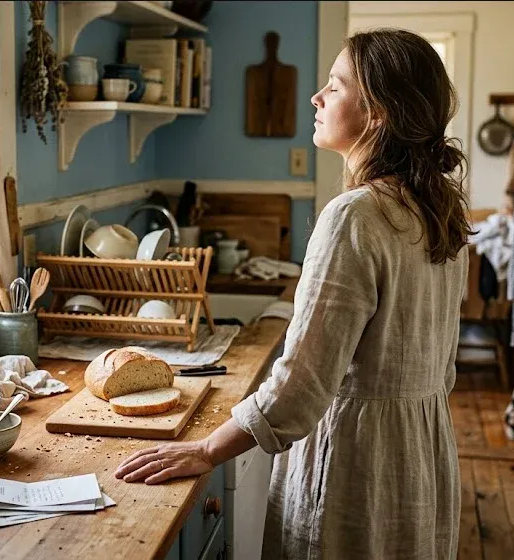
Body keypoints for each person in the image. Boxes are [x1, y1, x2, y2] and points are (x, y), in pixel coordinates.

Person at [115, 28, 471, 559]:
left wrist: (206, 450)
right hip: (422, 461)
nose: (316, 97)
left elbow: (299, 388)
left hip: (355, 469)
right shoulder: (438, 211)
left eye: (335, 85)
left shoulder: (355, 216)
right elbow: (441, 371)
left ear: (377, 113)